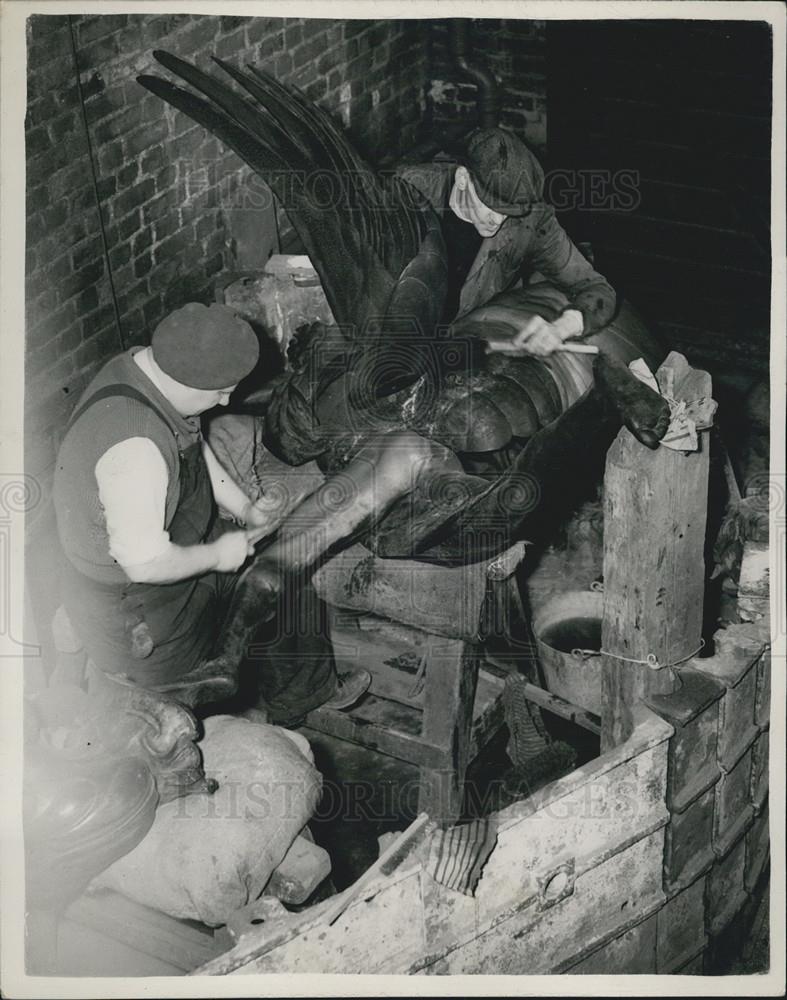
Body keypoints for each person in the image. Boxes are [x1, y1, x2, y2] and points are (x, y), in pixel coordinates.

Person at [53, 301, 371, 713]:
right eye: (219, 392)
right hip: (137, 605)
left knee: (285, 563)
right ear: (183, 377)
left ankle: (304, 694)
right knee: (198, 701)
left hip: (176, 547)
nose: (224, 403)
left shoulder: (145, 371)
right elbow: (144, 564)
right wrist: (219, 555)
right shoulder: (135, 449)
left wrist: (245, 507)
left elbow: (194, 444)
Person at [399, 126, 617, 357]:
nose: (498, 220)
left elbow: (597, 289)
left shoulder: (531, 220)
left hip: (466, 338)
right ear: (463, 178)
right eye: (490, 205)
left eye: (508, 212)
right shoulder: (404, 192)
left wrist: (560, 328)